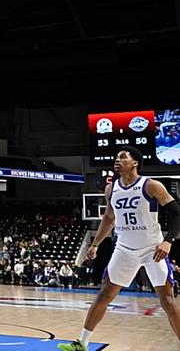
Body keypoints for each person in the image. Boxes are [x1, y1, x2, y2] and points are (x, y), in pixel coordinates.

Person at [59, 146, 180, 350]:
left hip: (152, 249)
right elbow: (109, 218)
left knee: (167, 301)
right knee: (104, 294)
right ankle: (82, 343)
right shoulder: (111, 188)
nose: (117, 160)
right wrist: (95, 244)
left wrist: (168, 241)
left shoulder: (151, 185)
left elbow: (177, 213)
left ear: (135, 163)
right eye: (116, 157)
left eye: (123, 157)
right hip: (124, 249)